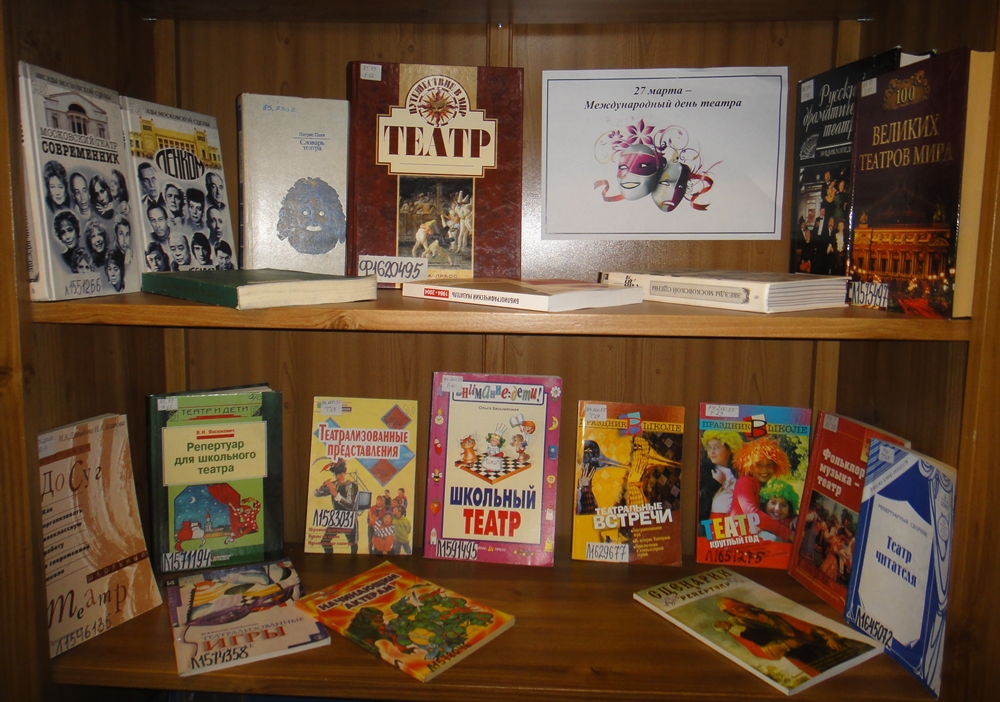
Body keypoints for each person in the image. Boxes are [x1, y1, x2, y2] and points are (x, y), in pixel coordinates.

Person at [729, 436, 793, 542]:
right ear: (749, 466)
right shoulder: (744, 482)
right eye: (759, 465)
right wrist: (787, 533)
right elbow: (752, 513)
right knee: (775, 539)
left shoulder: (765, 486)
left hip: (753, 534)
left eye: (769, 465)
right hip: (739, 537)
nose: (764, 470)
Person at [699, 430, 742, 522]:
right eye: (709, 447)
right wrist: (715, 483)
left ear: (729, 450)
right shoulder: (705, 470)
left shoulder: (738, 472)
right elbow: (697, 501)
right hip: (713, 521)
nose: (712, 452)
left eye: (717, 447)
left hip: (735, 520)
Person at [757, 478, 798, 543]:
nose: (777, 508)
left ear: (790, 509)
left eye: (783, 505)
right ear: (765, 503)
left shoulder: (791, 522)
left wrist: (798, 519)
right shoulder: (760, 520)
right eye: (773, 503)